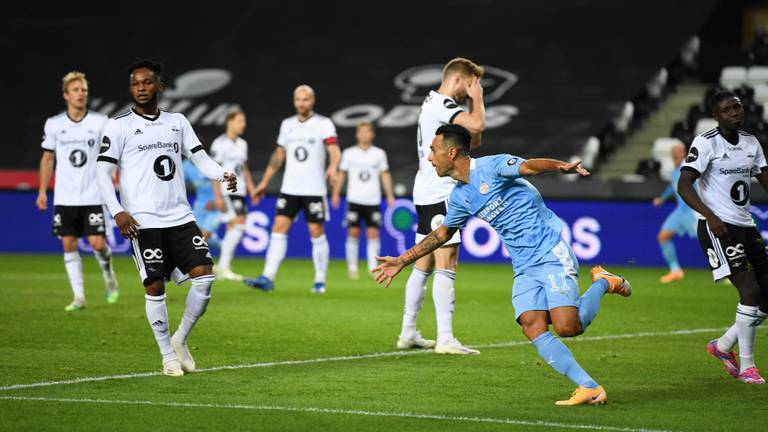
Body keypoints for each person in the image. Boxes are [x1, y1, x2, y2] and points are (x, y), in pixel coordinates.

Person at [374, 124, 632, 405]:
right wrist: (401, 260)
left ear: (451, 151)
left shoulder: (492, 167)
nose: (429, 157)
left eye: (433, 150)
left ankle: (605, 282)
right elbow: (442, 233)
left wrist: (561, 167)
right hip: (523, 265)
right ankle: (589, 387)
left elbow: (530, 167)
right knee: (531, 324)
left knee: (568, 327)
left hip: (549, 251)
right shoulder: (460, 197)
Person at [96, 59, 236, 377]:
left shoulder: (177, 122)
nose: (141, 88)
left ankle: (180, 340)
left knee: (205, 277)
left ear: (160, 86)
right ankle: (166, 355)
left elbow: (200, 158)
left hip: (180, 216)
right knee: (155, 286)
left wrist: (223, 173)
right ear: (130, 88)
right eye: (135, 83)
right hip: (143, 220)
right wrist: (117, 211)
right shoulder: (118, 125)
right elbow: (102, 172)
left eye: (147, 82)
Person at [678, 90, 768, 385]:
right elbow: (684, 185)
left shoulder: (751, 143)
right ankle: (747, 367)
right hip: (718, 228)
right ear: (716, 116)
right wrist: (711, 216)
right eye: (727, 110)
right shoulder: (706, 143)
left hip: (746, 225)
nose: (735, 112)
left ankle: (723, 345)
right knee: (750, 289)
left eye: (737, 107)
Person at [399, 57, 486, 355]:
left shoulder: (433, 103)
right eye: (470, 85)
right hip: (441, 190)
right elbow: (478, 124)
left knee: (423, 265)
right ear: (460, 79)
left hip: (426, 189)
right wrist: (479, 99)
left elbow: (474, 138)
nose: (470, 92)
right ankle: (445, 338)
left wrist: (474, 106)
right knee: (447, 263)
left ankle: (408, 332)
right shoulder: (444, 106)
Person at [244, 85, 340, 294]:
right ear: (294, 101)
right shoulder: (287, 125)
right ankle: (268, 277)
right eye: (298, 99)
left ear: (312, 101)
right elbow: (279, 155)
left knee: (316, 231)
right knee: (279, 227)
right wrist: (264, 183)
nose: (301, 103)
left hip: (314, 189)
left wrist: (333, 167)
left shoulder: (323, 124)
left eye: (305, 99)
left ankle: (320, 280)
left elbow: (334, 150)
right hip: (290, 188)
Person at [36, 71, 118, 311]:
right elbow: (47, 159)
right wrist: (42, 190)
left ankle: (109, 277)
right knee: (69, 242)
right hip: (65, 195)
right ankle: (79, 296)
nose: (81, 94)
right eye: (75, 90)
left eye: (83, 89)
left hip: (94, 193)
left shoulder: (100, 121)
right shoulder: (54, 124)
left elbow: (112, 152)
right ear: (66, 95)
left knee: (98, 244)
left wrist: (114, 173)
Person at [331, 122, 395, 279]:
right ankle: (352, 268)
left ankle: (372, 268)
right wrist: (335, 193)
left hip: (372, 200)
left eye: (367, 131)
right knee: (353, 232)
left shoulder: (379, 153)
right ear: (357, 134)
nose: (364, 134)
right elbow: (341, 174)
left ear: (372, 134)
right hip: (354, 199)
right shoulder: (349, 153)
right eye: (361, 131)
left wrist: (389, 194)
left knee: (373, 233)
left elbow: (384, 174)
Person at [210, 110, 257, 281]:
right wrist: (218, 196)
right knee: (238, 225)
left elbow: (243, 168)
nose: (243, 124)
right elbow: (214, 171)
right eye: (240, 121)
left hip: (241, 190)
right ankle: (224, 266)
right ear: (229, 122)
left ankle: (223, 266)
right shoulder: (219, 144)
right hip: (228, 190)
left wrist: (252, 188)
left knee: (233, 226)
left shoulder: (242, 144)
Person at [653, 142, 697, 283]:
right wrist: (662, 199)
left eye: (677, 152)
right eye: (673, 153)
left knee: (712, 240)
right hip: (680, 211)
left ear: (684, 153)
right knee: (663, 237)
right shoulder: (675, 171)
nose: (675, 155)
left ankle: (730, 271)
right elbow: (673, 188)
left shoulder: (690, 168)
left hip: (694, 211)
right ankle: (675, 270)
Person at [182, 158, 222, 251]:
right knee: (195, 235)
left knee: (203, 236)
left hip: (216, 206)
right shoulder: (185, 166)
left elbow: (221, 179)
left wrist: (217, 200)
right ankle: (222, 245)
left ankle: (225, 253)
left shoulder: (209, 160)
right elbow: (179, 185)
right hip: (200, 205)